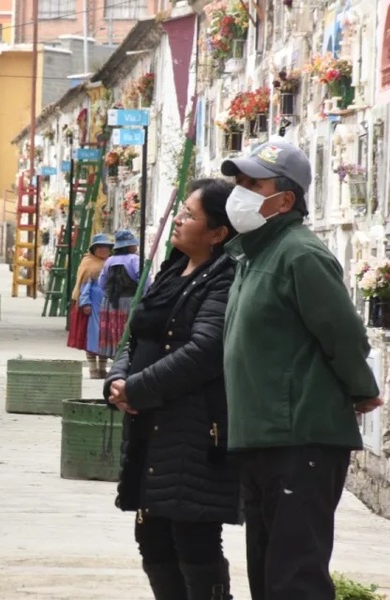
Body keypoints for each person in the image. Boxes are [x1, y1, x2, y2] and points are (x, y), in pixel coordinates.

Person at [220, 139, 384, 600]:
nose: (240, 191)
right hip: (263, 439)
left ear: (285, 199)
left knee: (295, 578)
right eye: (239, 181)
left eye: (254, 183)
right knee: (268, 577)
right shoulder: (253, 254)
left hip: (300, 439)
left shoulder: (299, 254)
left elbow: (342, 333)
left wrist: (360, 389)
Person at [104, 179, 242, 600]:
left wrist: (136, 389)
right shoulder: (171, 269)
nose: (178, 220)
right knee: (153, 537)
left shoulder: (223, 278)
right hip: (151, 427)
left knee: (193, 535)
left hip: (194, 430)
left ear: (218, 233)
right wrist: (117, 379)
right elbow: (137, 335)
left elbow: (205, 351)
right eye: (180, 211)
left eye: (189, 215)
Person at [68, 234, 114, 375]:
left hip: (107, 306)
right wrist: (85, 303)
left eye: (105, 247)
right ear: (93, 249)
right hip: (92, 308)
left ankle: (103, 368)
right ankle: (93, 369)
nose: (103, 250)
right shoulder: (88, 264)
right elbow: (84, 286)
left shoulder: (111, 262)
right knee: (93, 337)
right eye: (99, 247)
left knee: (106, 337)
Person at [98, 230, 145, 360]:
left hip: (110, 303)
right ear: (130, 246)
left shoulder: (109, 260)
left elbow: (102, 282)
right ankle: (125, 356)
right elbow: (144, 280)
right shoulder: (135, 259)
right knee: (127, 330)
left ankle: (114, 356)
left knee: (113, 331)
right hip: (129, 301)